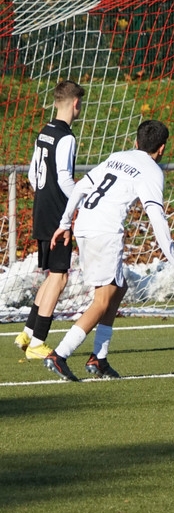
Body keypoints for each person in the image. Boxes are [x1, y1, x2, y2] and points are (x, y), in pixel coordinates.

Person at [43, 120, 174, 381]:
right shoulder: (152, 172)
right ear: (162, 148)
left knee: (118, 288)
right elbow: (157, 218)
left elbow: (80, 189)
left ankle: (99, 357)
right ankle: (59, 354)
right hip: (105, 231)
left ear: (135, 142)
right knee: (101, 301)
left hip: (85, 224)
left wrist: (65, 223)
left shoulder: (117, 156)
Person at [15, 80, 85, 362]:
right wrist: (81, 203)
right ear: (76, 104)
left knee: (52, 274)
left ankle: (27, 332)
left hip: (41, 208)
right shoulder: (66, 137)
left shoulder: (44, 132)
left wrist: (46, 197)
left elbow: (33, 175)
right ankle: (38, 343)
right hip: (58, 215)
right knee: (60, 275)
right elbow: (66, 178)